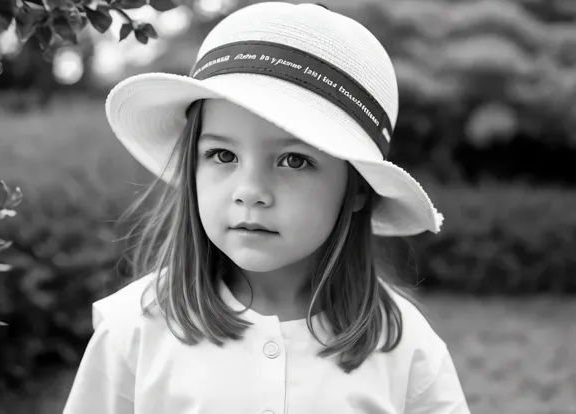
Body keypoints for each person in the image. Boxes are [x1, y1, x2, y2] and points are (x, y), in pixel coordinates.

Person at [62, 2, 470, 413]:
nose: (250, 191)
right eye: (222, 155)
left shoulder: (403, 346)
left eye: (294, 160)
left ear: (358, 189)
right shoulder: (135, 329)